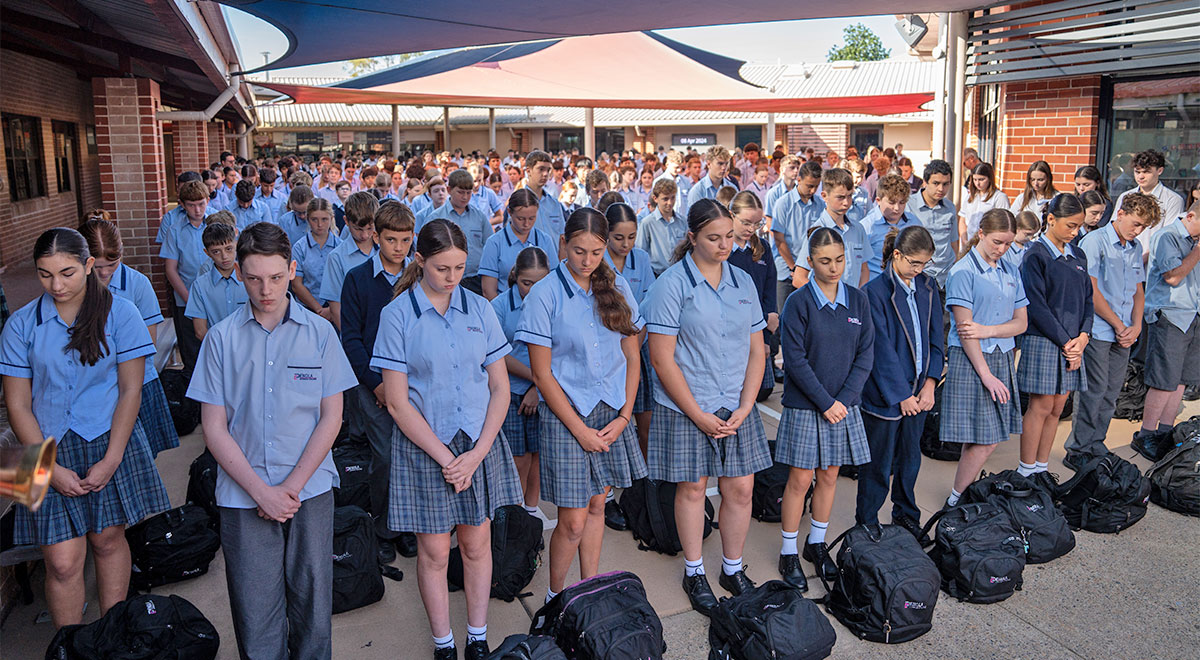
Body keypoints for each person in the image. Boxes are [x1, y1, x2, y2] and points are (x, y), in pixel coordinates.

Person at [186, 222, 356, 659]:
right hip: (244, 494)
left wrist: (290, 490)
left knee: (312, 604)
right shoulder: (221, 340)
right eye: (255, 277)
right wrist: (262, 491)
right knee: (254, 608)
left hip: (310, 490)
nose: (267, 289)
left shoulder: (320, 333)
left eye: (277, 277)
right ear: (239, 274)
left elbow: (331, 417)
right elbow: (214, 427)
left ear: (293, 270)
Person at [1, 227, 170, 629]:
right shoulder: (21, 325)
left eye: (67, 273)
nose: (56, 285)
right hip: (39, 446)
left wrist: (113, 459)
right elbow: (16, 404)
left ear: (89, 265)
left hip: (110, 439)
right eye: (45, 274)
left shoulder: (122, 313)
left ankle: (111, 636)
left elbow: (132, 391)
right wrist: (46, 469)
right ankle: (69, 645)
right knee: (59, 561)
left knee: (109, 540)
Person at [371, 219, 522, 660]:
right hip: (426, 444)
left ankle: (477, 636)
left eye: (459, 267)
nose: (453, 277)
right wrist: (447, 458)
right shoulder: (397, 316)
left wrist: (475, 455)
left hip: (478, 442)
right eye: (442, 268)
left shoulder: (479, 309)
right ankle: (444, 644)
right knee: (435, 552)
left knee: (477, 544)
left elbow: (499, 388)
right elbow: (398, 403)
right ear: (419, 262)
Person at [642, 198, 771, 612]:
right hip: (686, 405)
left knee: (741, 487)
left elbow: (757, 350)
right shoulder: (671, 285)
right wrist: (697, 413)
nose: (724, 246)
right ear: (692, 237)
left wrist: (747, 404)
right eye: (713, 238)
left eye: (729, 237)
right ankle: (694, 570)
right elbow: (661, 358)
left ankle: (731, 568)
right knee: (694, 487)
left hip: (735, 401)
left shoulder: (742, 281)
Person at [515, 209, 648, 606]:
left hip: (610, 412)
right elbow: (541, 374)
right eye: (578, 251)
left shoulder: (617, 284)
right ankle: (557, 598)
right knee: (571, 521)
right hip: (567, 415)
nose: (587, 260)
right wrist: (579, 429)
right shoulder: (544, 295)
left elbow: (632, 351)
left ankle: (589, 591)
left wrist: (625, 414)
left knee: (597, 506)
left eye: (595, 251)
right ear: (562, 245)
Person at [775, 227, 875, 591]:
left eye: (840, 260)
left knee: (830, 476)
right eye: (824, 261)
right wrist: (826, 402)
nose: (834, 268)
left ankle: (815, 543)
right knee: (800, 480)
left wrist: (844, 401)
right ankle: (788, 551)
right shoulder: (798, 303)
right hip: (807, 406)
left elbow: (866, 355)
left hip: (843, 407)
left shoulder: (857, 300)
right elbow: (796, 361)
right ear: (810, 261)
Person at [341, 201, 418, 563]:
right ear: (375, 236)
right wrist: (376, 385)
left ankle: (410, 524)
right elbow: (351, 339)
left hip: (413, 381)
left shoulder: (418, 276)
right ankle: (386, 526)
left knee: (415, 455)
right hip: (373, 384)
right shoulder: (357, 278)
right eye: (391, 240)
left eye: (405, 240)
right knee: (386, 455)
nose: (398, 248)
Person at [858, 225, 941, 540]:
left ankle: (906, 513)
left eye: (924, 264)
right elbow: (881, 351)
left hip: (920, 392)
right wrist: (901, 394)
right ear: (896, 255)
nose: (919, 271)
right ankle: (867, 520)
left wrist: (930, 382)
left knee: (910, 458)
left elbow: (936, 339)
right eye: (914, 263)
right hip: (887, 396)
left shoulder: (928, 288)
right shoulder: (874, 293)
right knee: (878, 464)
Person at [943, 209, 1028, 508]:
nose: (1002, 249)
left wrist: (988, 329)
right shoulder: (963, 272)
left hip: (1001, 357)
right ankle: (956, 500)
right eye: (996, 242)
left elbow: (1022, 323)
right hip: (973, 360)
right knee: (987, 439)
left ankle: (962, 493)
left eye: (1007, 243)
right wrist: (986, 374)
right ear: (980, 234)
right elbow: (967, 334)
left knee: (980, 437)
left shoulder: (1011, 269)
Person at [1066, 193, 1158, 469]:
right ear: (1121, 214)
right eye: (1136, 223)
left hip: (1125, 332)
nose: (1138, 230)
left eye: (1143, 227)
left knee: (1111, 392)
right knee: (1092, 391)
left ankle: (1096, 443)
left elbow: (1138, 291)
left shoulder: (1133, 247)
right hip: (1099, 330)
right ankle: (1078, 449)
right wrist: (1119, 325)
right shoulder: (1095, 242)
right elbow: (1091, 290)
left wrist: (1136, 325)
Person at [79, 217, 178, 459]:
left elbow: (149, 343)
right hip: (90, 387)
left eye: (111, 264)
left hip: (134, 384)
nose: (103, 273)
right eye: (96, 265)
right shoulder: (74, 285)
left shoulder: (138, 284)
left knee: (138, 458)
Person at [1016, 194, 1091, 492]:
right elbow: (1036, 305)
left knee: (1059, 407)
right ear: (1051, 219)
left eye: (1079, 227)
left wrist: (1083, 337)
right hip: (1045, 340)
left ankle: (1042, 469)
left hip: (1074, 341)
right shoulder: (1035, 255)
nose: (1075, 232)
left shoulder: (1079, 255)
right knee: (1041, 405)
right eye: (1071, 226)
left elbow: (1088, 299)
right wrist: (1067, 341)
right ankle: (1025, 471)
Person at [491, 247, 553, 518]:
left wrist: (538, 389)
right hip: (510, 394)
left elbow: (559, 351)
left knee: (538, 457)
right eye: (527, 283)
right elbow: (498, 356)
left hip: (544, 392)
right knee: (518, 459)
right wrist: (536, 380)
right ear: (515, 276)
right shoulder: (499, 307)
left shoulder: (552, 304)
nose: (533, 290)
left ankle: (531, 510)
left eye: (540, 283)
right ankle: (515, 515)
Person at [1137, 199, 1200, 444]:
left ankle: (1165, 431)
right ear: (1191, 216)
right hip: (1170, 315)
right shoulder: (1168, 237)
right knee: (1164, 380)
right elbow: (1173, 277)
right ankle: (1146, 434)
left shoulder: (1194, 242)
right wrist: (1197, 251)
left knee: (1181, 381)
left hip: (1193, 314)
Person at [605, 203, 656, 457]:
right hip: (608, 351)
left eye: (632, 237)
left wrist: (635, 345)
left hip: (638, 345)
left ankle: (647, 483)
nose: (626, 244)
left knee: (646, 420)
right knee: (612, 419)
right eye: (618, 237)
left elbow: (647, 308)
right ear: (606, 235)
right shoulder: (597, 261)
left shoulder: (642, 259)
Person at [728, 192, 778, 398]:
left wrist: (766, 336)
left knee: (762, 390)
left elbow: (769, 290)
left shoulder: (762, 248)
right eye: (746, 222)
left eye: (757, 224)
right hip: (730, 330)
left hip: (757, 327)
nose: (751, 229)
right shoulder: (723, 251)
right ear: (731, 215)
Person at [160, 179, 212, 377]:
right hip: (186, 297)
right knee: (191, 351)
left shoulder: (216, 224)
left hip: (214, 297)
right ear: (182, 205)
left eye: (201, 204)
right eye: (191, 205)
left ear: (207, 200)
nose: (197, 210)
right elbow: (171, 269)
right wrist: (189, 298)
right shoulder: (175, 231)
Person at [794, 168, 871, 289]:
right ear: (824, 196)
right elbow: (799, 278)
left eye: (849, 196)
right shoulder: (817, 231)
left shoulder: (858, 229)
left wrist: (858, 297)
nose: (846, 202)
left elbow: (864, 270)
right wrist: (824, 298)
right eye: (840, 197)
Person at [480, 189, 557, 300]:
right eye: (520, 219)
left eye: (532, 218)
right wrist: (503, 311)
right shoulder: (495, 243)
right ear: (510, 212)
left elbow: (553, 281)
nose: (526, 224)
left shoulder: (545, 240)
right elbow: (488, 290)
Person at [428, 170, 495, 296]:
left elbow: (490, 245)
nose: (465, 197)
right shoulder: (436, 217)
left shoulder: (479, 217)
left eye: (468, 193)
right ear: (449, 189)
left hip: (475, 279)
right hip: (446, 279)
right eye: (460, 192)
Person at [320, 192, 380, 330]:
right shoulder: (336, 258)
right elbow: (335, 308)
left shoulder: (385, 250)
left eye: (370, 228)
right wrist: (352, 340)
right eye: (358, 229)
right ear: (346, 221)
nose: (365, 235)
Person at [1115, 149, 1187, 262]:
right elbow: (1115, 228)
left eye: (1146, 172)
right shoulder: (1125, 196)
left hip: (1153, 263)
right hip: (1121, 260)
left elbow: (1168, 238)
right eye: (1137, 172)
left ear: (1160, 170)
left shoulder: (1173, 199)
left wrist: (1142, 259)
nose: (1141, 176)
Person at [771, 160, 826, 305]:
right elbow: (779, 239)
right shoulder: (783, 204)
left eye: (816, 186)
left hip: (810, 274)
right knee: (783, 320)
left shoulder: (820, 205)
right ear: (799, 180)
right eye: (809, 186)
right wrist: (794, 267)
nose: (813, 190)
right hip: (786, 273)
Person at [184, 223, 248, 341]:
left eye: (229, 249)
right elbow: (200, 331)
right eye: (216, 252)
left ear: (236, 245)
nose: (224, 256)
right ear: (207, 253)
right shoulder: (199, 286)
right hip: (216, 350)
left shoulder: (250, 279)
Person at [907, 160, 959, 290]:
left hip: (945, 277)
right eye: (936, 183)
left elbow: (954, 243)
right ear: (925, 182)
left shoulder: (950, 208)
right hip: (919, 275)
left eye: (945, 184)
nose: (941, 189)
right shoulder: (908, 206)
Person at [290, 198, 341, 320]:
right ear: (308, 219)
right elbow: (297, 284)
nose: (319, 225)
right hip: (307, 309)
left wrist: (331, 310)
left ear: (331, 218)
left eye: (324, 219)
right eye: (314, 220)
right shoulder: (299, 248)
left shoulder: (340, 247)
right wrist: (318, 309)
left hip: (336, 309)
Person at [861, 174, 919, 279]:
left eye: (902, 202)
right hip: (876, 285)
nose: (897, 208)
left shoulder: (914, 223)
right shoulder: (867, 226)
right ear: (878, 200)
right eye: (891, 202)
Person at [637, 178, 688, 276]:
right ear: (655, 198)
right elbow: (641, 253)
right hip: (656, 274)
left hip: (679, 273)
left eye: (673, 198)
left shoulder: (682, 221)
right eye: (665, 199)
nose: (670, 203)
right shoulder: (647, 223)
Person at [959, 162, 1011, 240]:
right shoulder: (971, 196)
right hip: (969, 241)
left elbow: (1004, 224)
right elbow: (962, 219)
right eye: (975, 179)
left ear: (990, 179)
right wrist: (964, 239)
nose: (977, 183)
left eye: (981, 179)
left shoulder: (999, 197)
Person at [523, 150, 568, 239]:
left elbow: (562, 237)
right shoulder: (518, 203)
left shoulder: (554, 204)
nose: (545, 174)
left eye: (548, 170)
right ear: (528, 171)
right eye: (541, 169)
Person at [686, 146, 737, 212]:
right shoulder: (697, 191)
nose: (724, 167)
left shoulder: (733, 188)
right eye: (720, 163)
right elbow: (692, 220)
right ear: (708, 164)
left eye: (726, 163)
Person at [764, 155, 801, 227]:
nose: (796, 171)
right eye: (792, 168)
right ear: (782, 169)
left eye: (797, 168)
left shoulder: (801, 191)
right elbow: (769, 221)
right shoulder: (773, 193)